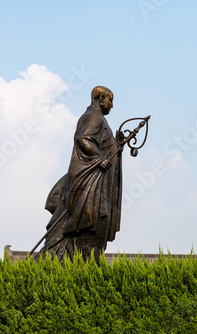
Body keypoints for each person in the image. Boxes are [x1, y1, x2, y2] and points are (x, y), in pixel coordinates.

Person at [38, 86, 123, 265]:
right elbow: (83, 139)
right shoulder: (94, 117)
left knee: (93, 240)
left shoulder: (98, 119)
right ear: (101, 99)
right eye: (110, 100)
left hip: (97, 188)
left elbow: (102, 147)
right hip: (90, 189)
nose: (112, 105)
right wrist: (99, 159)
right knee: (87, 237)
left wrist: (117, 146)